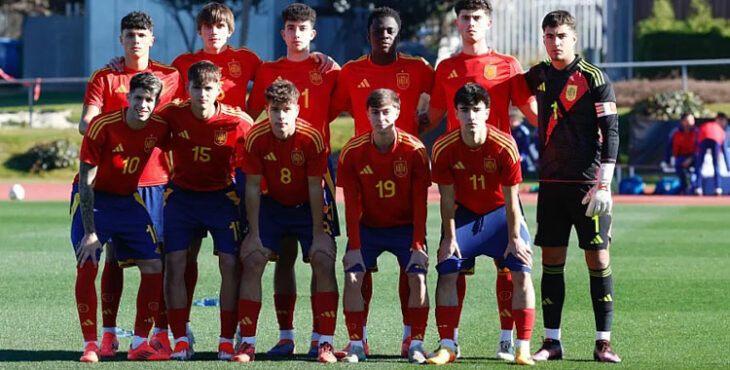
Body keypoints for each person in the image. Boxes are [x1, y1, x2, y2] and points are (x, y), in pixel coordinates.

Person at [420, 0, 537, 359]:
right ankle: (448, 344)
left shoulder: (507, 65)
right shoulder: (447, 67)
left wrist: (570, 129)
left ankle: (510, 339)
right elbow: (432, 116)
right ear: (457, 23)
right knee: (452, 266)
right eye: (465, 18)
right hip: (460, 182)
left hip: (500, 181)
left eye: (477, 18)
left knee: (512, 264)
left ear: (489, 22)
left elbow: (533, 113)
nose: (471, 24)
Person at [329, 6, 434, 356]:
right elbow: (332, 106)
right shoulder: (351, 71)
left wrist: (426, 120)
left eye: (390, 30)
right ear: (368, 34)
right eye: (378, 31)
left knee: (414, 271)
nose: (384, 36)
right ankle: (357, 341)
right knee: (357, 269)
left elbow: (443, 97)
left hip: (404, 176)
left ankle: (412, 339)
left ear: (397, 33)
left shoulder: (418, 68)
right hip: (366, 174)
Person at [79, 11, 182, 357]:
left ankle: (160, 334)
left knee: (160, 258)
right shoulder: (106, 77)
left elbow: (179, 120)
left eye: (141, 35)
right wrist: (107, 127)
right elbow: (87, 124)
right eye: (129, 35)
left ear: (152, 39)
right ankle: (107, 335)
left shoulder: (170, 76)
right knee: (110, 257)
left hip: (156, 180)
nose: (135, 40)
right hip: (114, 180)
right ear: (120, 39)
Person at [521, 10, 621, 363]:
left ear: (573, 38)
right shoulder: (539, 74)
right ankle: (552, 342)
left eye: (561, 35)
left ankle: (603, 342)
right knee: (552, 261)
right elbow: (507, 90)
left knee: (598, 258)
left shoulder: (594, 77)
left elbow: (611, 130)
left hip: (587, 187)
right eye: (549, 36)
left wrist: (604, 184)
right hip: (550, 184)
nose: (555, 42)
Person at [246, 3, 340, 356]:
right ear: (282, 32)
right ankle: (286, 336)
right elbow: (251, 114)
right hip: (273, 171)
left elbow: (347, 107)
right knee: (281, 257)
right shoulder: (269, 70)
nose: (296, 33)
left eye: (303, 28)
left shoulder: (328, 70)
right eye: (290, 27)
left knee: (320, 256)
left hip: (316, 171)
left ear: (313, 33)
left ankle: (321, 339)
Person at [156, 61, 253, 361]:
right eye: (196, 88)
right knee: (174, 264)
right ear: (188, 89)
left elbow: (260, 146)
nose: (202, 94)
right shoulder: (172, 114)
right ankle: (181, 338)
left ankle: (226, 339)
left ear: (219, 90)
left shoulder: (238, 121)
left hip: (221, 200)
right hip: (182, 198)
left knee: (229, 264)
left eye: (208, 88)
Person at [71, 72, 170, 362]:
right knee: (87, 261)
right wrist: (91, 232)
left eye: (148, 100)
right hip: (95, 201)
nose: (142, 104)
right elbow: (87, 182)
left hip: (128, 201)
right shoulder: (102, 126)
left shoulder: (159, 127)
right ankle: (91, 344)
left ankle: (139, 343)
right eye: (137, 97)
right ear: (128, 98)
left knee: (153, 264)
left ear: (156, 103)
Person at [337, 89, 431, 364]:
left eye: (386, 112)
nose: (380, 118)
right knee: (353, 275)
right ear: (366, 114)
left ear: (398, 112)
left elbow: (420, 203)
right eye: (375, 112)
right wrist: (354, 247)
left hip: (405, 227)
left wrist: (417, 245)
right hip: (369, 228)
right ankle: (356, 344)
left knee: (418, 276)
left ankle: (415, 343)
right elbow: (351, 205)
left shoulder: (414, 150)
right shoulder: (353, 151)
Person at [663, 113, 698, 195]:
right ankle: (684, 187)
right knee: (678, 164)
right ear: (683, 121)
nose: (690, 123)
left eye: (692, 121)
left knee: (697, 165)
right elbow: (668, 147)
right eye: (688, 121)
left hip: (694, 156)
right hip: (681, 156)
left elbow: (699, 148)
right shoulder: (675, 132)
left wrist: (691, 158)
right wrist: (667, 161)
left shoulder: (697, 132)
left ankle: (697, 187)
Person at [695, 113, 730, 195]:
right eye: (724, 121)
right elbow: (724, 151)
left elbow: (697, 141)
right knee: (716, 164)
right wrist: (728, 167)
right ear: (718, 120)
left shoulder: (705, 125)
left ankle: (698, 187)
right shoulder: (720, 130)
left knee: (700, 164)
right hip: (714, 140)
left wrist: (697, 152)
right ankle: (718, 188)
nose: (725, 123)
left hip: (703, 139)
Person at [510, 109, 539, 174]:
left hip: (522, 155)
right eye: (511, 119)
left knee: (523, 165)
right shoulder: (508, 130)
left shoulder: (524, 132)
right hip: (511, 153)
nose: (512, 121)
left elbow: (526, 146)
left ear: (519, 120)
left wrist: (522, 156)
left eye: (514, 119)